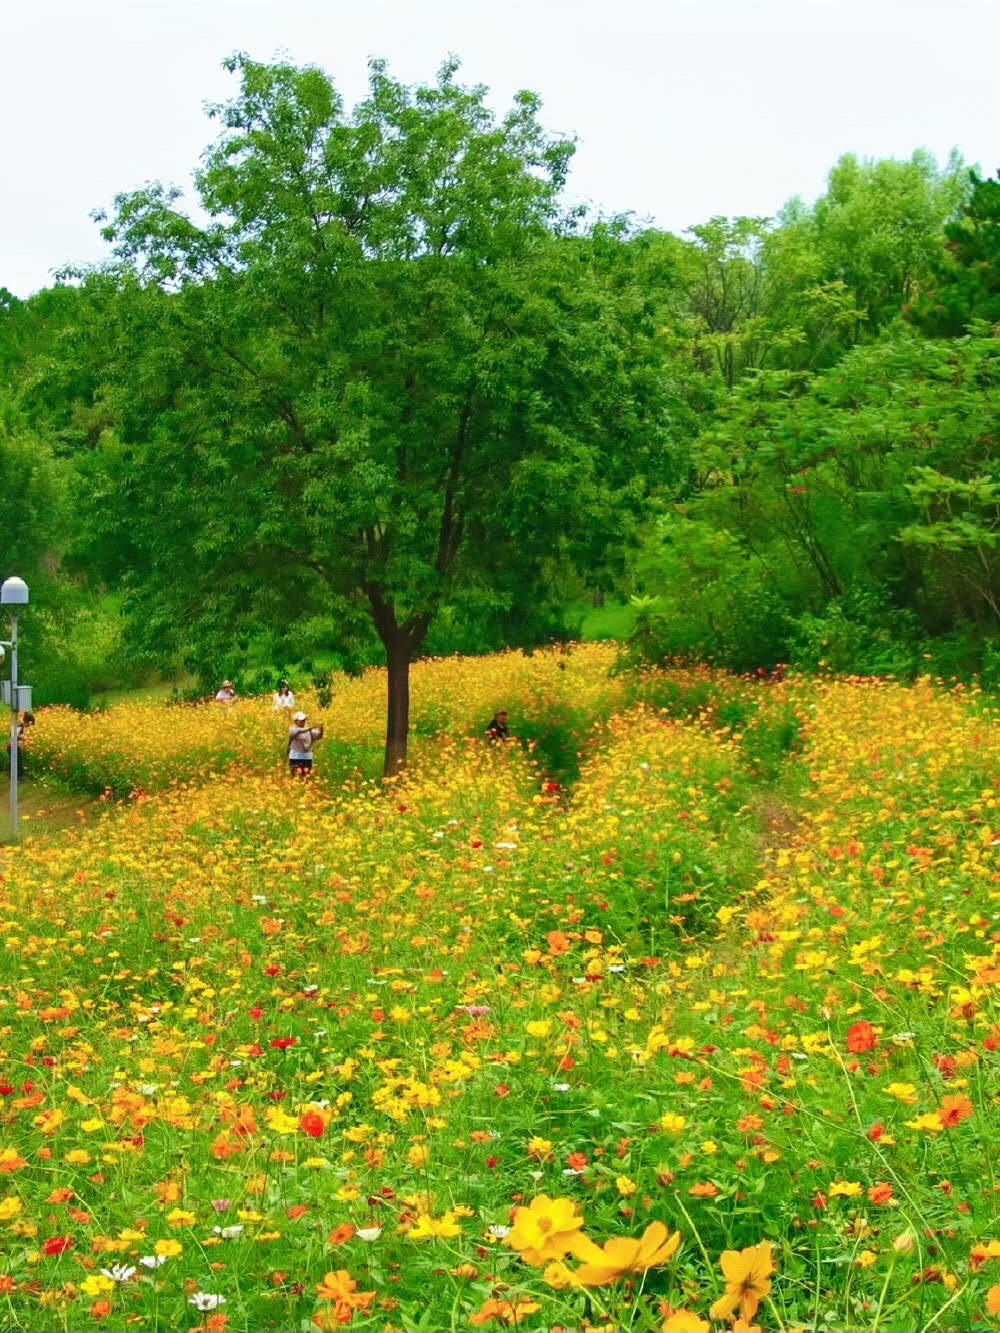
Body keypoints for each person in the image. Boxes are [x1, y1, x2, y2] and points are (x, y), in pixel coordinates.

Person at [288, 710, 324, 776]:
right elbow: (297, 731)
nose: (303, 722)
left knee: (306, 778)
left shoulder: (309, 731)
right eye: (301, 720)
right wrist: (311, 727)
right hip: (295, 757)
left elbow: (319, 736)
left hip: (307, 758)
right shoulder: (292, 729)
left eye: (304, 720)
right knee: (295, 778)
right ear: (295, 721)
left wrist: (321, 728)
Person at [6, 711, 35, 779]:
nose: (29, 726)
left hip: (14, 747)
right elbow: (13, 736)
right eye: (30, 724)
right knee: (17, 763)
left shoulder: (19, 725)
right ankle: (16, 777)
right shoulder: (19, 726)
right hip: (12, 747)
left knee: (17, 762)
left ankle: (15, 776)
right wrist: (23, 738)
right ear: (28, 722)